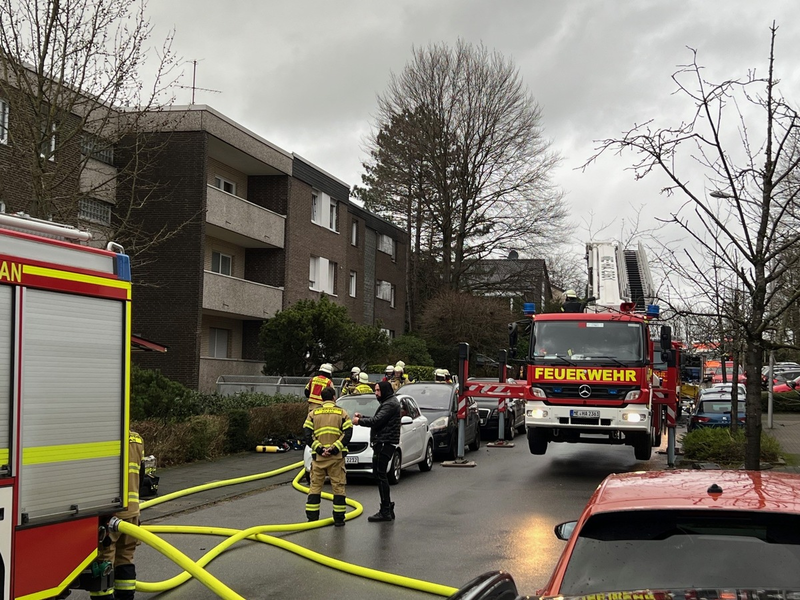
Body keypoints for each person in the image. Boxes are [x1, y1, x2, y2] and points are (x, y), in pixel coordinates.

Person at [92, 431, 144, 600]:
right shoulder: (137, 439)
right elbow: (141, 474)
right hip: (132, 511)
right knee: (126, 556)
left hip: (110, 513)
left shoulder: (106, 436)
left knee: (104, 559)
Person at [352, 381, 401, 522]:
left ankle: (385, 509)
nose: (376, 393)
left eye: (378, 390)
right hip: (384, 442)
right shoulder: (388, 403)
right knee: (379, 475)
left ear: (385, 390)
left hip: (385, 443)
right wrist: (362, 418)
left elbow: (376, 421)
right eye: (375, 390)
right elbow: (378, 420)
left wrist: (359, 421)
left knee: (380, 475)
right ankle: (387, 508)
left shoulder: (390, 404)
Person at [303, 387, 352, 527]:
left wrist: (320, 448)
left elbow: (307, 434)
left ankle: (312, 520)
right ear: (334, 397)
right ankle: (339, 520)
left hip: (319, 459)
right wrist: (334, 448)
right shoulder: (342, 413)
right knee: (338, 488)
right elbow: (348, 433)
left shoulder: (313, 414)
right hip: (336, 459)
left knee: (315, 488)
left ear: (322, 399)